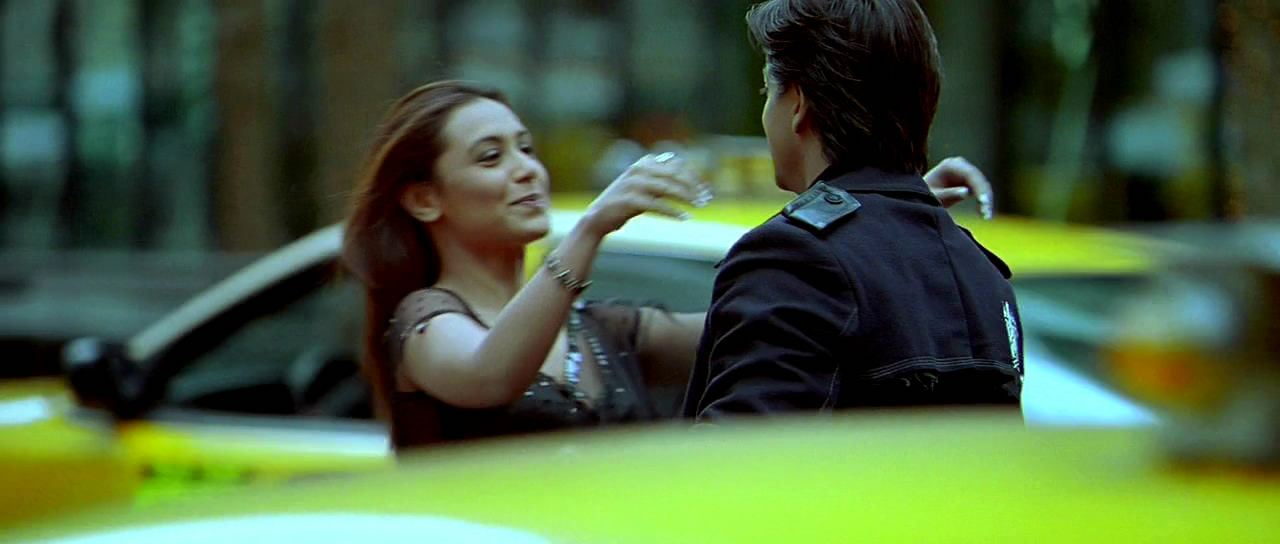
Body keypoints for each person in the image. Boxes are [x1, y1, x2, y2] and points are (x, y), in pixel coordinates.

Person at [342, 80, 997, 451]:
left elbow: (785, 320)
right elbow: (488, 375)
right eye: (490, 157)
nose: (525, 170)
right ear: (424, 198)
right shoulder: (423, 322)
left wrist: (890, 203)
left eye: (526, 148)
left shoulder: (603, 331)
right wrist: (592, 227)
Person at [682, 0, 1024, 421]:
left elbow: (739, 455)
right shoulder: (981, 273)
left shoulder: (792, 258)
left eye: (768, 91)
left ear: (798, 103)